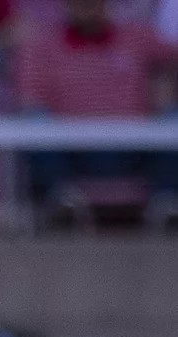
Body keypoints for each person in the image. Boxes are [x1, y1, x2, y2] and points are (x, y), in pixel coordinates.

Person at [15, 0, 178, 221]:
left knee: (172, 119)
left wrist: (167, 91)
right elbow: (30, 98)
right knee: (34, 122)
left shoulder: (136, 37)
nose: (87, 7)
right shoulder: (43, 46)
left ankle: (167, 201)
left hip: (133, 146)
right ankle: (62, 203)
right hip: (70, 148)